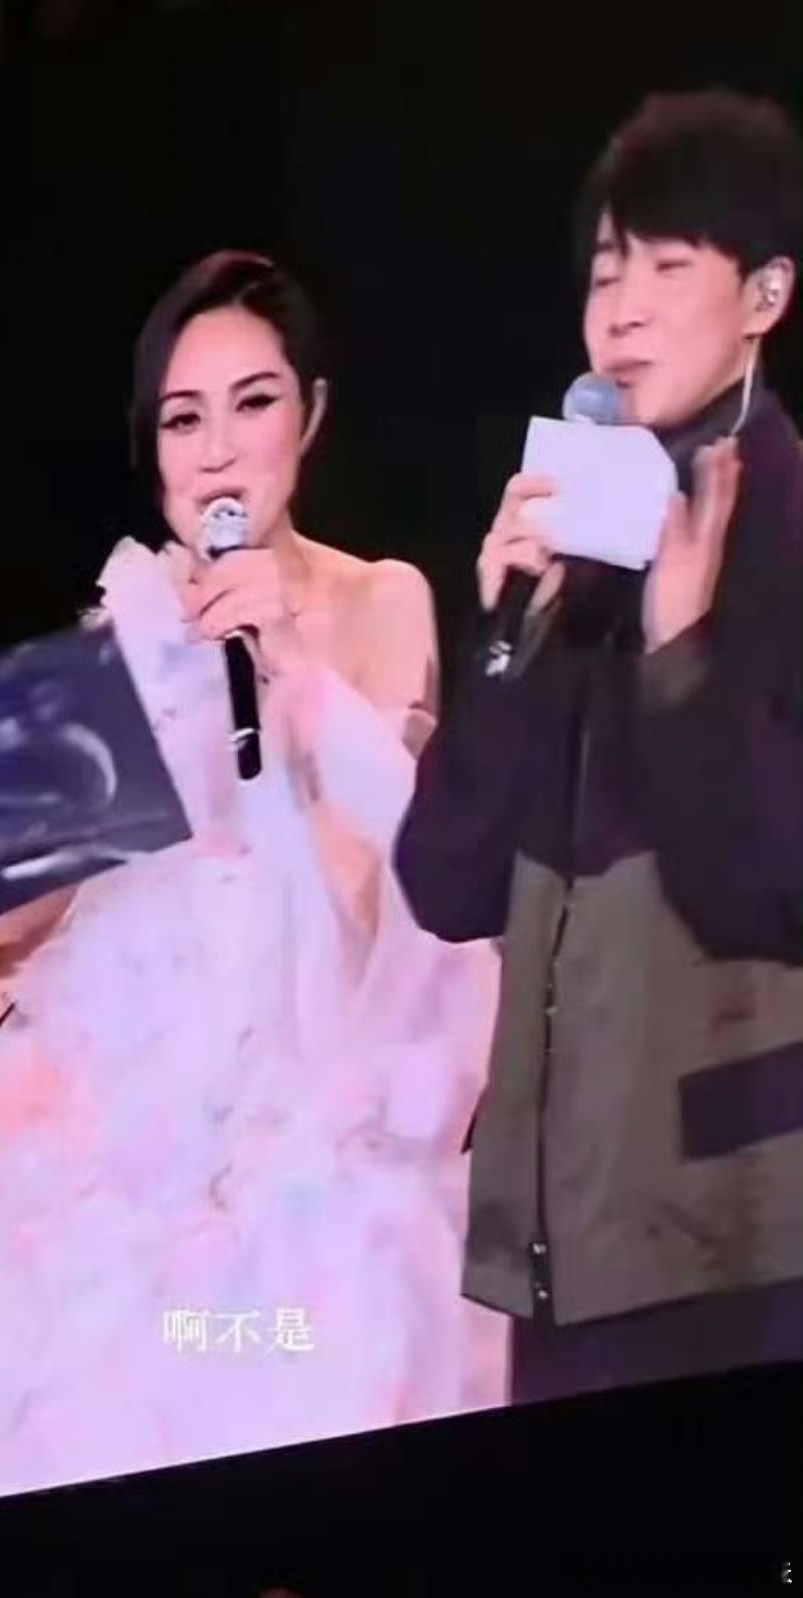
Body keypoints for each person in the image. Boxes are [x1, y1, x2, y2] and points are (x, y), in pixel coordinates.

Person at [0, 251, 505, 1503]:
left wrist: (286, 661)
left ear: (309, 414)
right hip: (123, 1239)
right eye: (182, 419)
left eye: (252, 402)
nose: (217, 450)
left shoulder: (376, 604)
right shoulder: (103, 663)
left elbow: (385, 903)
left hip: (316, 1215)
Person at [395, 90, 803, 1403]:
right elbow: (445, 881)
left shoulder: (788, 526)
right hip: (560, 1247)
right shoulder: (575, 535)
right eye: (602, 274)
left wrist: (682, 653)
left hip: (740, 1243)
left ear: (764, 295)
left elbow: (762, 886)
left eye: (666, 268)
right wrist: (503, 633)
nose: (618, 312)